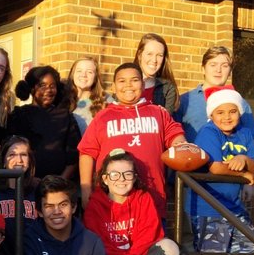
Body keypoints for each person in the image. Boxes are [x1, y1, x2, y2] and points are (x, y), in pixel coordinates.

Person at [78, 62, 186, 220]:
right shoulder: (103, 117)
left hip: (152, 202)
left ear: (143, 85)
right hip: (111, 206)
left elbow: (176, 137)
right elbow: (86, 153)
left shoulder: (158, 113)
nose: (128, 85)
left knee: (156, 245)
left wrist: (181, 146)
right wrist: (86, 191)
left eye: (134, 80)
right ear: (114, 87)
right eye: (122, 81)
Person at [187, 86, 254, 255]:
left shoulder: (244, 133)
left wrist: (244, 158)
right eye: (220, 112)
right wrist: (244, 174)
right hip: (209, 206)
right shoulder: (208, 132)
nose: (227, 117)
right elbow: (216, 168)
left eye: (232, 111)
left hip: (233, 206)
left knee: (249, 246)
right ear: (211, 114)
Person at [83, 149, 180, 255]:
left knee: (170, 248)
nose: (121, 179)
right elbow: (97, 241)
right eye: (114, 174)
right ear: (105, 179)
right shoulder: (95, 205)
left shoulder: (143, 198)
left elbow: (149, 234)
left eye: (127, 174)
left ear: (134, 177)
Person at [7, 65, 81, 179]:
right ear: (31, 88)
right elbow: (10, 152)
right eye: (42, 85)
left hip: (57, 185)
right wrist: (28, 181)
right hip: (24, 185)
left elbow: (74, 156)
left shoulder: (65, 116)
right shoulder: (19, 115)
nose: (49, 90)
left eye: (52, 86)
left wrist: (59, 181)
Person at [174, 46, 254, 142]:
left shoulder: (240, 104)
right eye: (213, 65)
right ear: (203, 69)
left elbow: (251, 141)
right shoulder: (184, 101)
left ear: (230, 71)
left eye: (225, 66)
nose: (218, 70)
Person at [134, 33, 178, 111]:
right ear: (139, 55)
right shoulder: (125, 83)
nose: (154, 60)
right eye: (149, 54)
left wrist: (163, 116)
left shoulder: (167, 88)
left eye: (159, 55)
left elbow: (168, 120)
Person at [66, 56, 106, 135]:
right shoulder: (62, 101)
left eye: (89, 72)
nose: (83, 75)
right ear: (72, 74)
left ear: (95, 77)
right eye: (79, 71)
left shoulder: (105, 101)